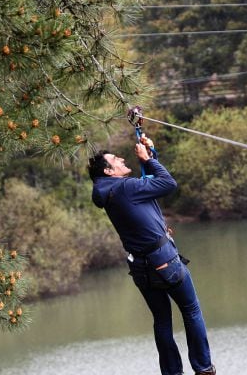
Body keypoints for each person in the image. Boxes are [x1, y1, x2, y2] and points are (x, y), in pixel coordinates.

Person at [89, 142, 216, 375]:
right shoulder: (127, 188)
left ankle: (172, 372)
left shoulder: (110, 193)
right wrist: (147, 160)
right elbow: (168, 183)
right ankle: (203, 367)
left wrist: (150, 155)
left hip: (140, 266)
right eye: (116, 159)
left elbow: (148, 186)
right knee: (191, 310)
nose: (121, 159)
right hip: (164, 260)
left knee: (162, 320)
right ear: (108, 171)